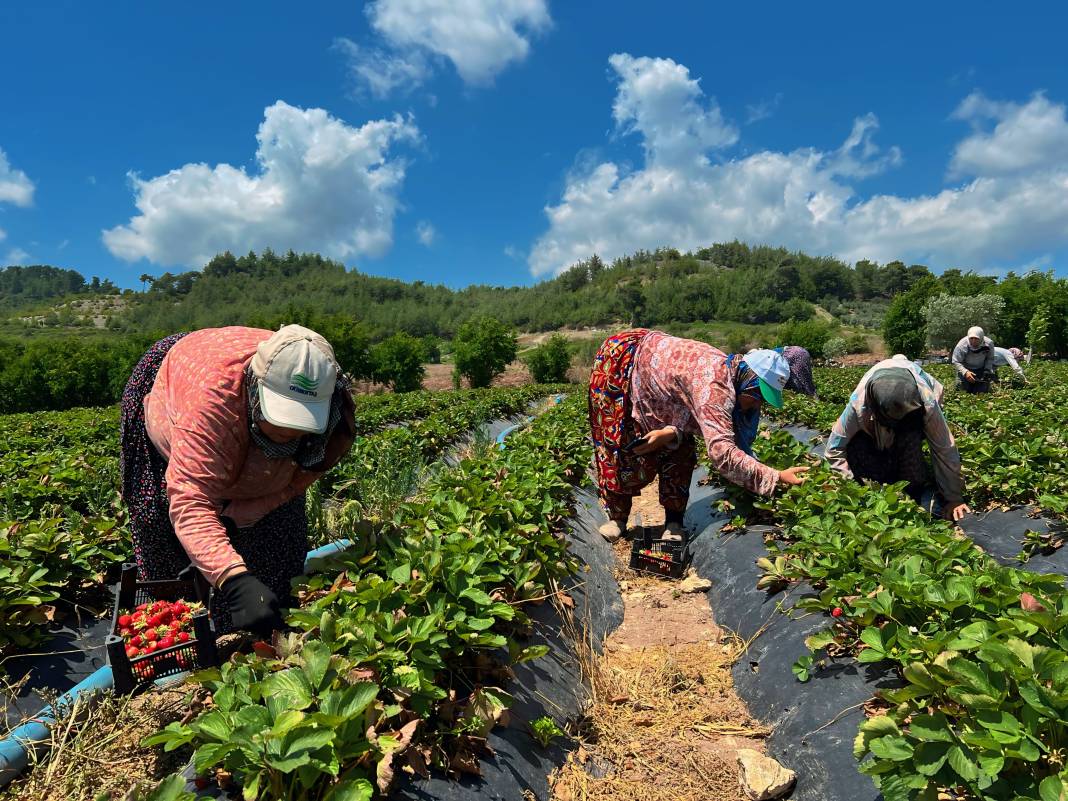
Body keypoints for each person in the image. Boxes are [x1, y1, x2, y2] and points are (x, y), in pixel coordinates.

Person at [119, 325, 356, 635]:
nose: (290, 433)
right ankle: (194, 625)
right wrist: (234, 580)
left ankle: (261, 624)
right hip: (182, 374)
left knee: (276, 547)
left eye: (303, 419)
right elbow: (191, 499)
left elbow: (302, 477)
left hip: (224, 388)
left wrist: (251, 510)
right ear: (256, 388)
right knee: (162, 532)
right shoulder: (213, 403)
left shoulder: (335, 413)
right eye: (282, 416)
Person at [588, 329, 810, 543]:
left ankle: (674, 522)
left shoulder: (731, 372)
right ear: (748, 382)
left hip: (661, 380)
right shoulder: (715, 385)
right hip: (622, 364)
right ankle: (618, 518)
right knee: (618, 442)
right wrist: (776, 477)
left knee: (682, 450)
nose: (757, 404)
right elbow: (722, 453)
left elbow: (683, 406)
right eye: (757, 396)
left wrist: (671, 431)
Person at [825, 355, 971, 521]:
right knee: (859, 447)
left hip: (912, 416)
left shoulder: (927, 402)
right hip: (874, 420)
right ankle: (880, 478)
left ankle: (912, 490)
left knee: (910, 451)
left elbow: (944, 447)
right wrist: (851, 489)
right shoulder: (858, 404)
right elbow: (834, 448)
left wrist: (954, 498)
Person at [952, 326, 996, 393]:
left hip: (981, 369)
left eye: (976, 338)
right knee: (961, 391)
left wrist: (987, 370)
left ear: (981, 337)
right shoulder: (961, 345)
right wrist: (965, 372)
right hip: (965, 369)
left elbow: (990, 358)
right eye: (971, 338)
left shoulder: (989, 343)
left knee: (981, 393)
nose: (973, 341)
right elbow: (956, 361)